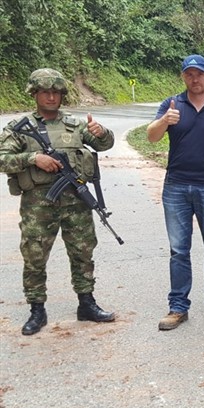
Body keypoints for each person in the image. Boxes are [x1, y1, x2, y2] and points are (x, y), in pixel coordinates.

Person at [0, 68, 116, 335]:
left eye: (56, 92)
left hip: (76, 201)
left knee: (83, 252)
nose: (51, 97)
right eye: (45, 92)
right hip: (38, 206)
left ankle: (86, 303)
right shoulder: (19, 128)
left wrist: (101, 132)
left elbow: (104, 145)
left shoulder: (75, 125)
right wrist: (32, 159)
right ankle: (37, 309)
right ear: (35, 94)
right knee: (35, 255)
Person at [147, 54, 204, 331]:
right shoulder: (171, 105)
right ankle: (177, 307)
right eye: (189, 74)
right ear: (183, 76)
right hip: (175, 187)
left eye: (200, 74)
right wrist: (165, 121)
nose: (195, 79)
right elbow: (151, 137)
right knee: (178, 250)